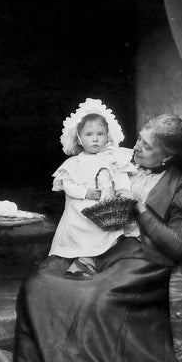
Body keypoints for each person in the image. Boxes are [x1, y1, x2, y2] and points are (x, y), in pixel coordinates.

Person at [13, 113, 182, 362]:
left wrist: (141, 209)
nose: (137, 148)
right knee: (38, 282)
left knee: (96, 296)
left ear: (167, 155)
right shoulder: (123, 163)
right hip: (106, 247)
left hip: (145, 260)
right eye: (139, 140)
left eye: (147, 146)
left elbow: (177, 246)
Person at [49, 98, 136, 279]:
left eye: (100, 134)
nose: (95, 139)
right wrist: (85, 192)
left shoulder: (112, 157)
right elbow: (68, 185)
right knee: (79, 225)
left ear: (107, 136)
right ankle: (82, 260)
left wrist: (122, 191)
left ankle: (102, 258)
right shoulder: (75, 163)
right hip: (82, 209)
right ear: (80, 139)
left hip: (107, 208)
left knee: (111, 234)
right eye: (89, 135)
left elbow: (121, 177)